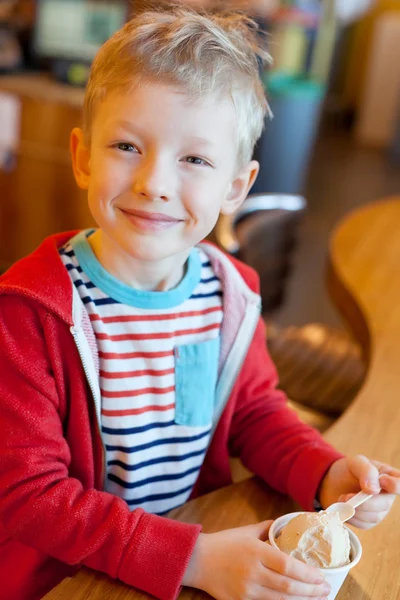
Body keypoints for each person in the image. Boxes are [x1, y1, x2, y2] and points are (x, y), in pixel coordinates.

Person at [0, 6, 399, 600]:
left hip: (196, 557)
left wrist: (323, 471)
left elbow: (254, 413)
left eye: (195, 160)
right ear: (83, 157)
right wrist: (190, 558)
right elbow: (28, 497)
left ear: (236, 187)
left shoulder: (230, 296)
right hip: (74, 582)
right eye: (128, 145)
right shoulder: (30, 313)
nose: (155, 182)